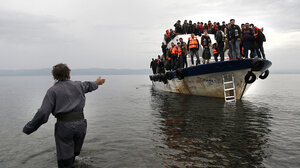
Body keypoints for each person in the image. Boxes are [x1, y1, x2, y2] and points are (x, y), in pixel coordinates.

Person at [23, 63, 105, 168]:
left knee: (65, 160)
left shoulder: (52, 91)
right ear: (69, 73)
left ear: (54, 76)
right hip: (81, 125)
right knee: (74, 154)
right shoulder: (79, 85)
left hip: (64, 127)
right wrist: (98, 82)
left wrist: (29, 128)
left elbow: (43, 113)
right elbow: (90, 85)